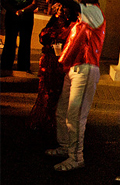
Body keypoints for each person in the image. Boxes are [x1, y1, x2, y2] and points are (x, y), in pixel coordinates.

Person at [44, 0, 105, 172]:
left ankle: (76, 157)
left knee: (76, 116)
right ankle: (65, 146)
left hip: (86, 69)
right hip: (73, 69)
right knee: (62, 111)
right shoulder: (80, 20)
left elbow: (77, 6)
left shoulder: (95, 12)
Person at [28, 2, 75, 132]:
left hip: (60, 64)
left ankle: (53, 123)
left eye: (63, 7)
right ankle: (42, 120)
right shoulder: (54, 21)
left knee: (56, 94)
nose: (60, 9)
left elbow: (67, 39)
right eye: (59, 7)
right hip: (48, 62)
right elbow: (42, 37)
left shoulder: (72, 25)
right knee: (45, 92)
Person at [0, 0, 37, 76]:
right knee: (11, 41)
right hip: (14, 14)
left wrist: (21, 11)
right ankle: (8, 64)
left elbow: (34, 4)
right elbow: (4, 2)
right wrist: (16, 11)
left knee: (23, 42)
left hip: (24, 15)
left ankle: (20, 65)